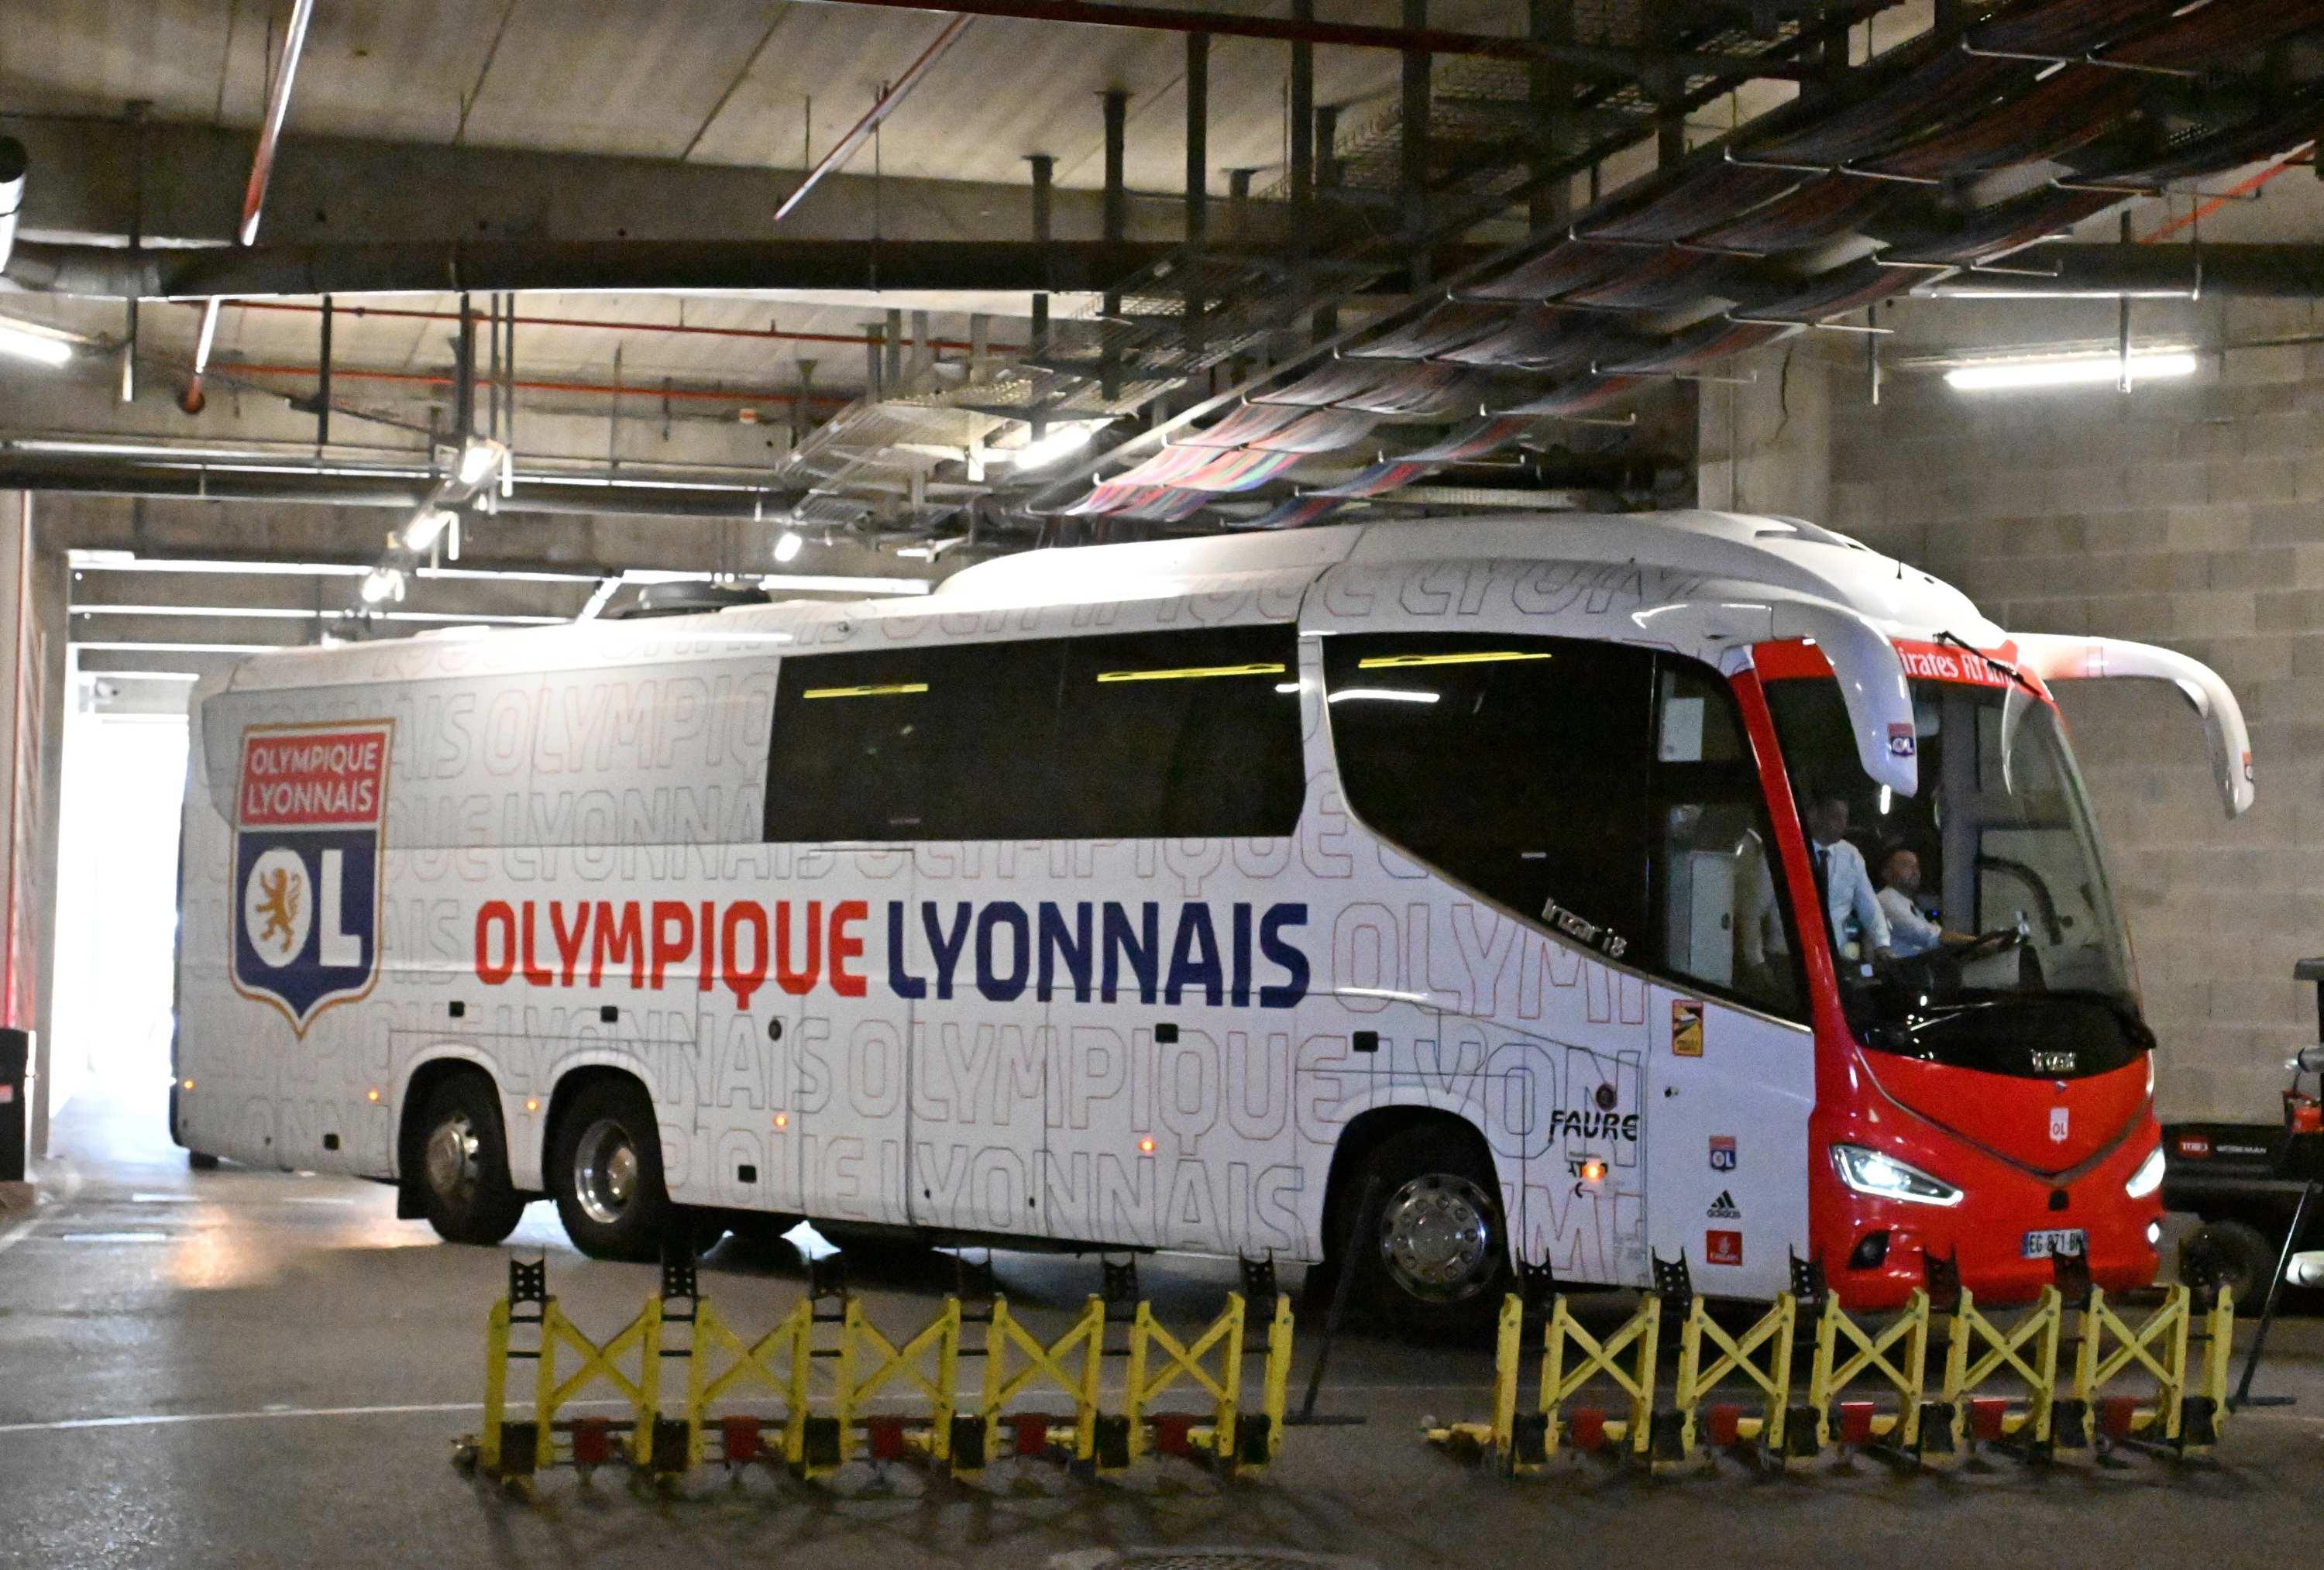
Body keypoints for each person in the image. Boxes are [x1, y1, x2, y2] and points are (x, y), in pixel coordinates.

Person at [1802, 791, 1892, 967]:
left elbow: (1869, 904)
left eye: (1845, 818)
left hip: (1839, 954)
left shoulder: (1850, 855)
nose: (1842, 824)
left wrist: (1882, 944)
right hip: (1795, 952)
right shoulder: (1792, 849)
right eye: (1835, 817)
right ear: (1814, 816)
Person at [1877, 847, 1978, 959]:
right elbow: (1925, 934)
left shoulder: (1912, 905)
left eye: (1917, 866)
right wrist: (1976, 942)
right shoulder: (1885, 899)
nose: (1915, 871)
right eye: (1906, 865)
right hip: (1896, 973)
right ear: (1886, 873)